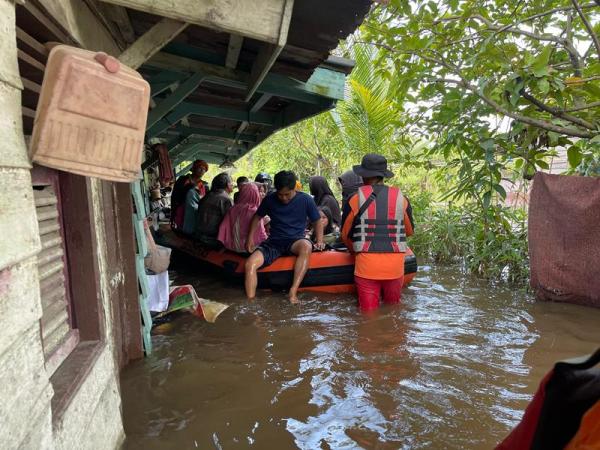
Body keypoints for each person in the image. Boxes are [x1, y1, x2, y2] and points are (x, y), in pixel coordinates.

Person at [340, 153, 414, 312]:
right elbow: (408, 231)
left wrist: (354, 251)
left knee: (368, 316)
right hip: (395, 268)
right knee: (393, 312)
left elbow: (345, 235)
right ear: (383, 176)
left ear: (362, 176)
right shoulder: (401, 198)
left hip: (366, 268)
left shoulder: (354, 198)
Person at [245, 170, 324, 303]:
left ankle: (292, 292)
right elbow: (256, 217)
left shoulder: (305, 200)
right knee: (249, 264)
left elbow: (317, 221)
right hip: (274, 242)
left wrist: (320, 241)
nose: (284, 198)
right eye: (280, 194)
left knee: (306, 246)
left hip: (295, 240)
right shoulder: (270, 199)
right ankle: (250, 302)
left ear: (294, 188)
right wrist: (250, 239)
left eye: (287, 194)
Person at [218, 182, 268, 253]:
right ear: (255, 194)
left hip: (230, 247)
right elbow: (261, 235)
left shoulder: (233, 209)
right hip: (247, 249)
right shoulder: (255, 211)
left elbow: (223, 229)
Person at [194, 172, 234, 248]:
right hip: (213, 240)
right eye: (231, 182)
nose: (233, 184)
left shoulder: (207, 196)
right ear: (228, 184)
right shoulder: (226, 200)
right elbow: (231, 223)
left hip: (199, 236)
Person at [171, 160, 208, 231]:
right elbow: (175, 195)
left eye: (204, 169)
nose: (202, 170)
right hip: (182, 209)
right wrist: (173, 213)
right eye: (200, 168)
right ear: (194, 168)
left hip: (195, 212)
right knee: (181, 231)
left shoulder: (204, 185)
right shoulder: (182, 180)